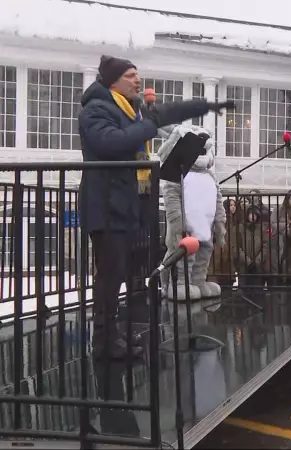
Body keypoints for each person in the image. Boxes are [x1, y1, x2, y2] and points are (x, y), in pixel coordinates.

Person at [79, 55, 232, 360]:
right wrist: (148, 125)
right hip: (106, 204)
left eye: (137, 74)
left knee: (121, 273)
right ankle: (103, 342)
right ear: (112, 81)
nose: (138, 80)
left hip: (127, 204)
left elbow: (170, 111)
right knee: (109, 274)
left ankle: (113, 335)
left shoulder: (132, 110)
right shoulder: (96, 110)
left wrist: (207, 106)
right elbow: (111, 142)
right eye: (130, 76)